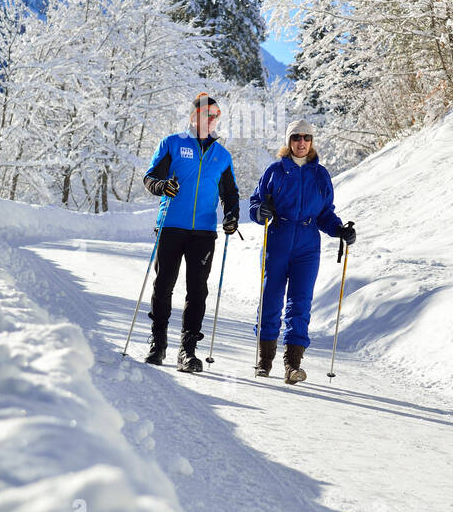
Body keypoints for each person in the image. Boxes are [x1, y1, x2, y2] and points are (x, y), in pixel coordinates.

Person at [249, 118, 356, 383]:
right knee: (271, 298)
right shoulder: (275, 171)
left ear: (312, 141)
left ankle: (292, 365)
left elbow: (325, 214)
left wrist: (340, 230)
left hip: (308, 244)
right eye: (296, 137)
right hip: (279, 238)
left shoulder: (320, 174)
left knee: (301, 302)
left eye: (306, 138)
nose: (301, 142)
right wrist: (259, 212)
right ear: (288, 141)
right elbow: (255, 203)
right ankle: (264, 361)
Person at [142, 93, 240, 372]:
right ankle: (158, 343)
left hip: (204, 232)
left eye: (216, 115)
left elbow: (231, 194)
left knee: (197, 290)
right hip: (171, 224)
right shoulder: (172, 143)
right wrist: (163, 187)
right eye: (207, 114)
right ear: (193, 116)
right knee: (164, 285)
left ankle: (188, 351)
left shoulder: (222, 156)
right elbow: (150, 178)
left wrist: (232, 216)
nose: (211, 119)